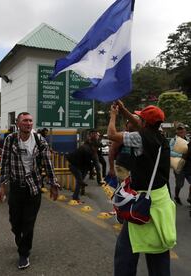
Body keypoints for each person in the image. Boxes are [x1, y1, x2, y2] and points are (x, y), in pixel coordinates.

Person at [108, 102, 176, 276]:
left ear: (144, 122)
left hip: (143, 206)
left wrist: (114, 115)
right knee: (159, 251)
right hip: (161, 205)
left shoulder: (139, 138)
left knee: (124, 254)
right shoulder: (161, 137)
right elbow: (140, 124)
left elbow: (112, 135)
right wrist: (123, 110)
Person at [0, 112, 60, 270]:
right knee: (15, 221)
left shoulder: (39, 140)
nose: (28, 123)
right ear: (18, 123)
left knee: (29, 223)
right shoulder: (10, 139)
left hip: (34, 187)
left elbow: (47, 163)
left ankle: (24, 253)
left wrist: (53, 184)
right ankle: (18, 237)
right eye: (25, 120)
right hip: (16, 187)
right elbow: (4, 163)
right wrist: (2, 186)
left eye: (30, 120)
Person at [66, 135, 99, 202]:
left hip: (81, 166)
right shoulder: (86, 149)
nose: (97, 149)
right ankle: (76, 196)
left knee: (80, 181)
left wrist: (94, 171)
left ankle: (76, 195)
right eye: (96, 148)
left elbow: (94, 163)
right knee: (80, 180)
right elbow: (88, 162)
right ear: (93, 146)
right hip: (74, 165)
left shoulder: (90, 150)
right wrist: (92, 170)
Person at [169, 123, 189, 205]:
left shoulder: (188, 140)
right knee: (180, 184)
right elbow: (170, 152)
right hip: (178, 165)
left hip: (188, 165)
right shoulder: (173, 140)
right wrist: (181, 155)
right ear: (176, 131)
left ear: (185, 130)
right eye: (179, 129)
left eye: (182, 129)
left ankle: (190, 198)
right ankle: (176, 196)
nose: (181, 131)